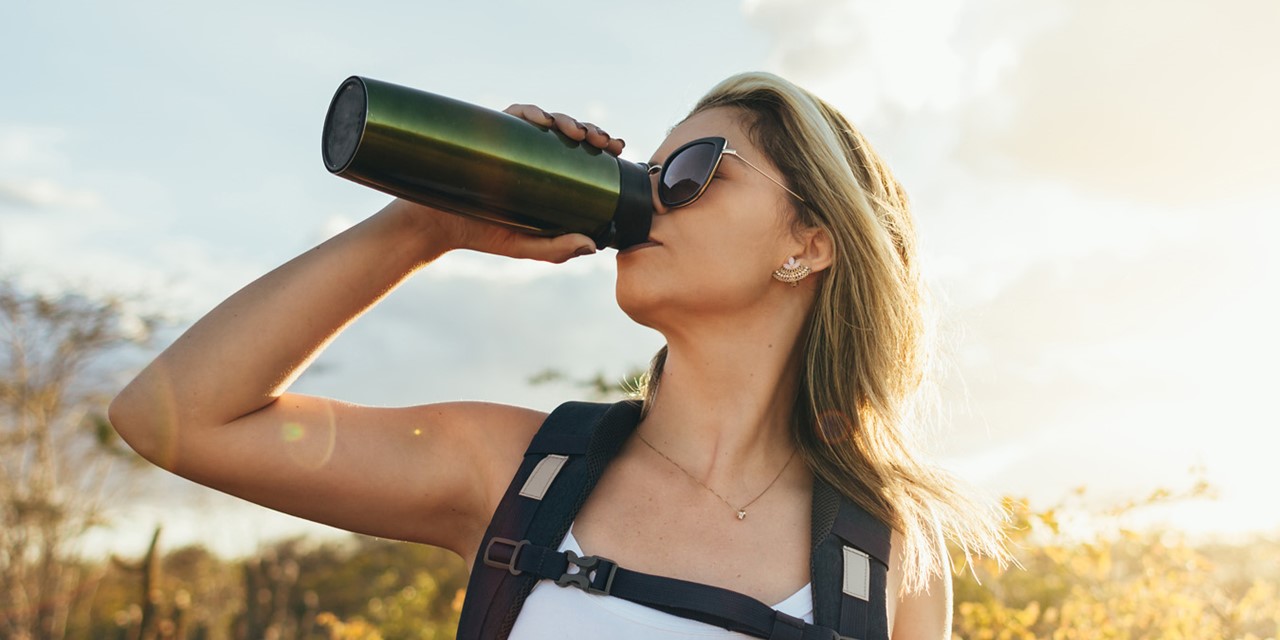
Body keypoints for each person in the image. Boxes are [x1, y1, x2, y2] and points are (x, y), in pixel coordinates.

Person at [110, 71, 1007, 639]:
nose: (648, 202)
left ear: (808, 242)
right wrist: (426, 225)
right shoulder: (517, 471)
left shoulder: (886, 553)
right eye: (644, 179)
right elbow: (173, 418)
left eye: (693, 172)